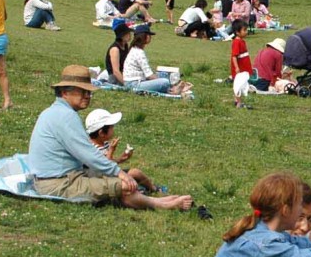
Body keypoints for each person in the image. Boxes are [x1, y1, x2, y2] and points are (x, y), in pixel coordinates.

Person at [27, 65, 192, 210]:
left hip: (59, 177)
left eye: (89, 92)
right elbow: (87, 153)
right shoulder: (65, 116)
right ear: (65, 92)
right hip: (59, 183)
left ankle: (157, 200)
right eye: (82, 91)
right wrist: (118, 172)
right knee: (124, 185)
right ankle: (161, 204)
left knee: (119, 181)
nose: (87, 96)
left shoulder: (54, 112)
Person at [85, 108, 160, 193]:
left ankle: (153, 188)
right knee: (127, 182)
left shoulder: (104, 143)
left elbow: (110, 162)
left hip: (110, 175)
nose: (113, 130)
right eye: (111, 127)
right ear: (101, 133)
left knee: (135, 172)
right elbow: (106, 166)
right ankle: (140, 191)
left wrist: (122, 158)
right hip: (102, 179)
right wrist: (111, 150)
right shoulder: (92, 148)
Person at [123, 25, 172, 93]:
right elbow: (149, 75)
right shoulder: (139, 52)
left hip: (133, 82)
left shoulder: (134, 49)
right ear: (146, 36)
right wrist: (159, 79)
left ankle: (172, 86)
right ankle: (172, 88)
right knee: (165, 82)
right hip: (134, 84)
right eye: (149, 35)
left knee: (163, 74)